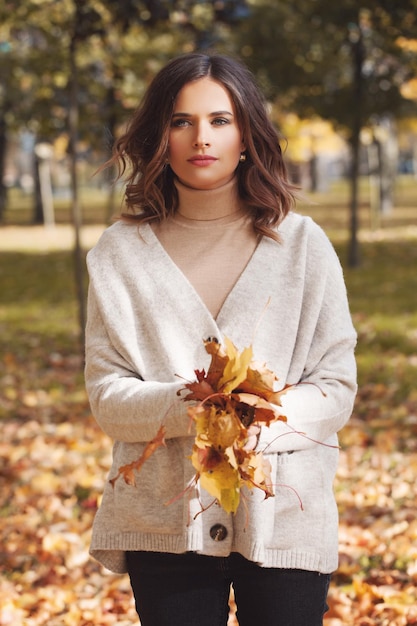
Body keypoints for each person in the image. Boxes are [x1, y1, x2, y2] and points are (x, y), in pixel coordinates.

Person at [85, 52, 357, 626]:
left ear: (246, 134)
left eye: (219, 120)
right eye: (181, 121)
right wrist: (196, 406)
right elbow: (108, 396)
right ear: (159, 134)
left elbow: (335, 387)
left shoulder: (304, 247)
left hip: (284, 513)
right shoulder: (119, 253)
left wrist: (259, 414)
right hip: (164, 518)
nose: (200, 138)